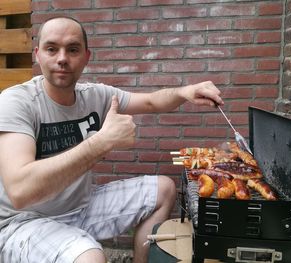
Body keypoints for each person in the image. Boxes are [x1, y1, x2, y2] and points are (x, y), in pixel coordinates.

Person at [0, 16, 223, 263]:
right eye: (52, 49)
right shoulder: (17, 102)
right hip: (25, 221)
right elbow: (20, 191)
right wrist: (102, 141)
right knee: (91, 258)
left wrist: (185, 92)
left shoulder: (95, 95)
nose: (62, 58)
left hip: (80, 206)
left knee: (164, 190)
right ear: (38, 54)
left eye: (72, 49)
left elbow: (150, 101)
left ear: (86, 56)